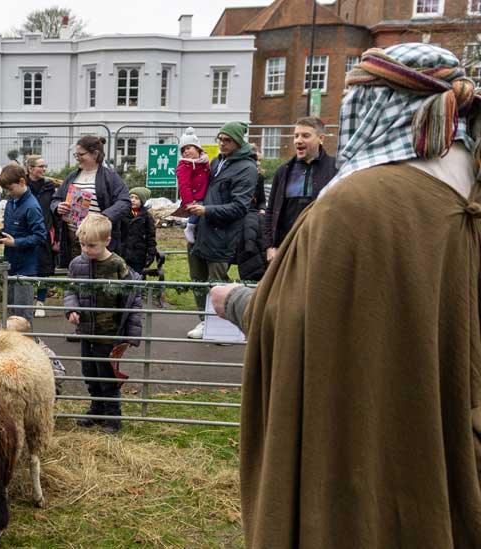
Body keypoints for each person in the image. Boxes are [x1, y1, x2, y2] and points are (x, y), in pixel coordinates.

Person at [210, 44, 481, 548]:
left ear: (380, 104)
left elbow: (298, 317)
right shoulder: (468, 186)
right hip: (448, 429)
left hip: (362, 441)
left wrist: (241, 302)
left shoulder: (359, 203)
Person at [63, 213, 143, 433]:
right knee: (89, 372)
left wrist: (130, 333)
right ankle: (96, 411)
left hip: (109, 332)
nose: (86, 250)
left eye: (92, 245)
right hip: (86, 330)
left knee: (106, 375)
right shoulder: (77, 264)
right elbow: (71, 289)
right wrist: (71, 309)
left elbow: (132, 297)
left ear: (107, 241)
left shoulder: (117, 265)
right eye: (82, 245)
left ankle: (112, 417)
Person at [184, 121, 256, 339]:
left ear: (238, 142)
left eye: (228, 140)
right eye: (220, 139)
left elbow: (240, 206)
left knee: (217, 283)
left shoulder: (247, 168)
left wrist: (207, 210)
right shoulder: (216, 162)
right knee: (197, 278)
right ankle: (205, 321)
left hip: (222, 233)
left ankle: (224, 327)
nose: (222, 144)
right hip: (200, 230)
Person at [263, 117, 337, 262]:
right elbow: (271, 211)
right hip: (286, 247)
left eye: (305, 135)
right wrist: (270, 246)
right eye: (296, 136)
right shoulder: (283, 171)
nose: (298, 140)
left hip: (321, 248)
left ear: (321, 138)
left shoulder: (335, 169)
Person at [51, 135, 131, 269]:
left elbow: (124, 201)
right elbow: (56, 198)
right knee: (77, 275)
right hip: (74, 239)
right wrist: (58, 207)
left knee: (100, 278)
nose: (77, 158)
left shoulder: (110, 177)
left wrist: (104, 217)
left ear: (95, 154)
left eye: (81, 154)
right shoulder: (72, 176)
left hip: (98, 240)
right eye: (76, 155)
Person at [0, 164, 47, 323]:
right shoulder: (12, 202)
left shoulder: (31, 206)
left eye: (10, 189)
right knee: (11, 311)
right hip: (11, 264)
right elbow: (11, 228)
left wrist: (16, 242)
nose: (8, 193)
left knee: (23, 316)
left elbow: (40, 236)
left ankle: (27, 344)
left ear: (22, 182)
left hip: (26, 268)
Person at [24, 155, 59, 317]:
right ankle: (27, 300)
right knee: (28, 268)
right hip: (26, 233)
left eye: (45, 166)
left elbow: (54, 212)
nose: (44, 169)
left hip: (45, 232)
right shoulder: (22, 186)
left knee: (44, 270)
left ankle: (41, 302)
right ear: (30, 169)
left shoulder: (50, 187)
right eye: (40, 166)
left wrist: (56, 237)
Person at [5, 315, 66, 395]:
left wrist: (38, 375)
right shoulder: (7, 349)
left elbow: (60, 373)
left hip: (41, 389)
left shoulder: (41, 349)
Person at [176, 127, 210, 245]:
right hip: (195, 197)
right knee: (198, 208)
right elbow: (183, 185)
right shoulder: (184, 165)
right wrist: (189, 202)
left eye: (188, 148)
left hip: (206, 193)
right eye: (183, 150)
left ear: (197, 148)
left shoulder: (204, 162)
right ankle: (190, 226)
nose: (185, 151)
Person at [119, 186, 158, 277]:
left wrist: (151, 254)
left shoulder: (147, 217)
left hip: (138, 254)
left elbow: (151, 237)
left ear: (142, 201)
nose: (133, 200)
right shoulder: (122, 214)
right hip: (123, 252)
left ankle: (138, 290)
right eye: (131, 197)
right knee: (123, 275)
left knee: (138, 276)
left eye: (136, 198)